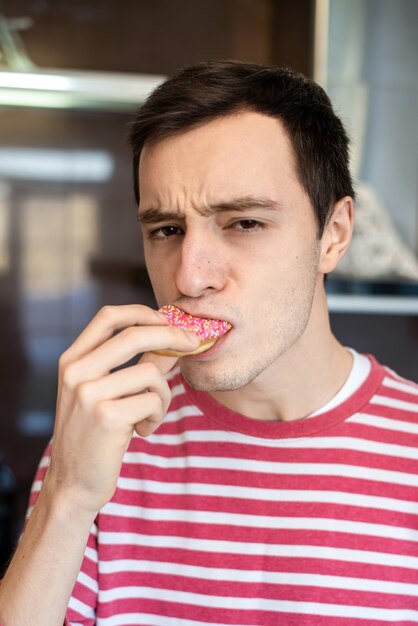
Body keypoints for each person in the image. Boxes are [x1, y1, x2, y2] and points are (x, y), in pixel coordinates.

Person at [1, 59, 417, 626]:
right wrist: (68, 497)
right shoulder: (103, 438)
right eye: (166, 230)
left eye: (244, 223)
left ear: (334, 235)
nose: (189, 277)